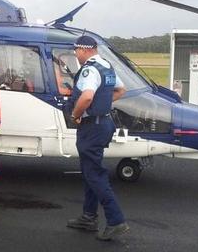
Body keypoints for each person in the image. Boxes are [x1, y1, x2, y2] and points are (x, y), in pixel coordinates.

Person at [66, 35, 129, 241]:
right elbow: (121, 90)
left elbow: (86, 97)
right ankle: (89, 216)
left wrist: (76, 115)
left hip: (92, 126)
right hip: (104, 124)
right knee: (89, 171)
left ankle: (116, 220)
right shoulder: (106, 66)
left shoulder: (89, 69)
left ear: (83, 50)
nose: (75, 54)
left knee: (94, 174)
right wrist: (102, 104)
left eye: (76, 51)